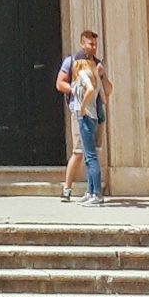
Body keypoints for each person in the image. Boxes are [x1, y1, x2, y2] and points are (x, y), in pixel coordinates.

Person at [56, 29, 111, 205]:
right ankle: (69, 188)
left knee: (90, 153)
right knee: (80, 152)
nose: (94, 48)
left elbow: (107, 91)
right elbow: (60, 83)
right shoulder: (72, 62)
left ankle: (91, 192)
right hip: (81, 112)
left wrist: (101, 75)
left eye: (95, 44)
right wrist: (76, 90)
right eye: (90, 44)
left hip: (95, 112)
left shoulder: (97, 64)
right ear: (82, 43)